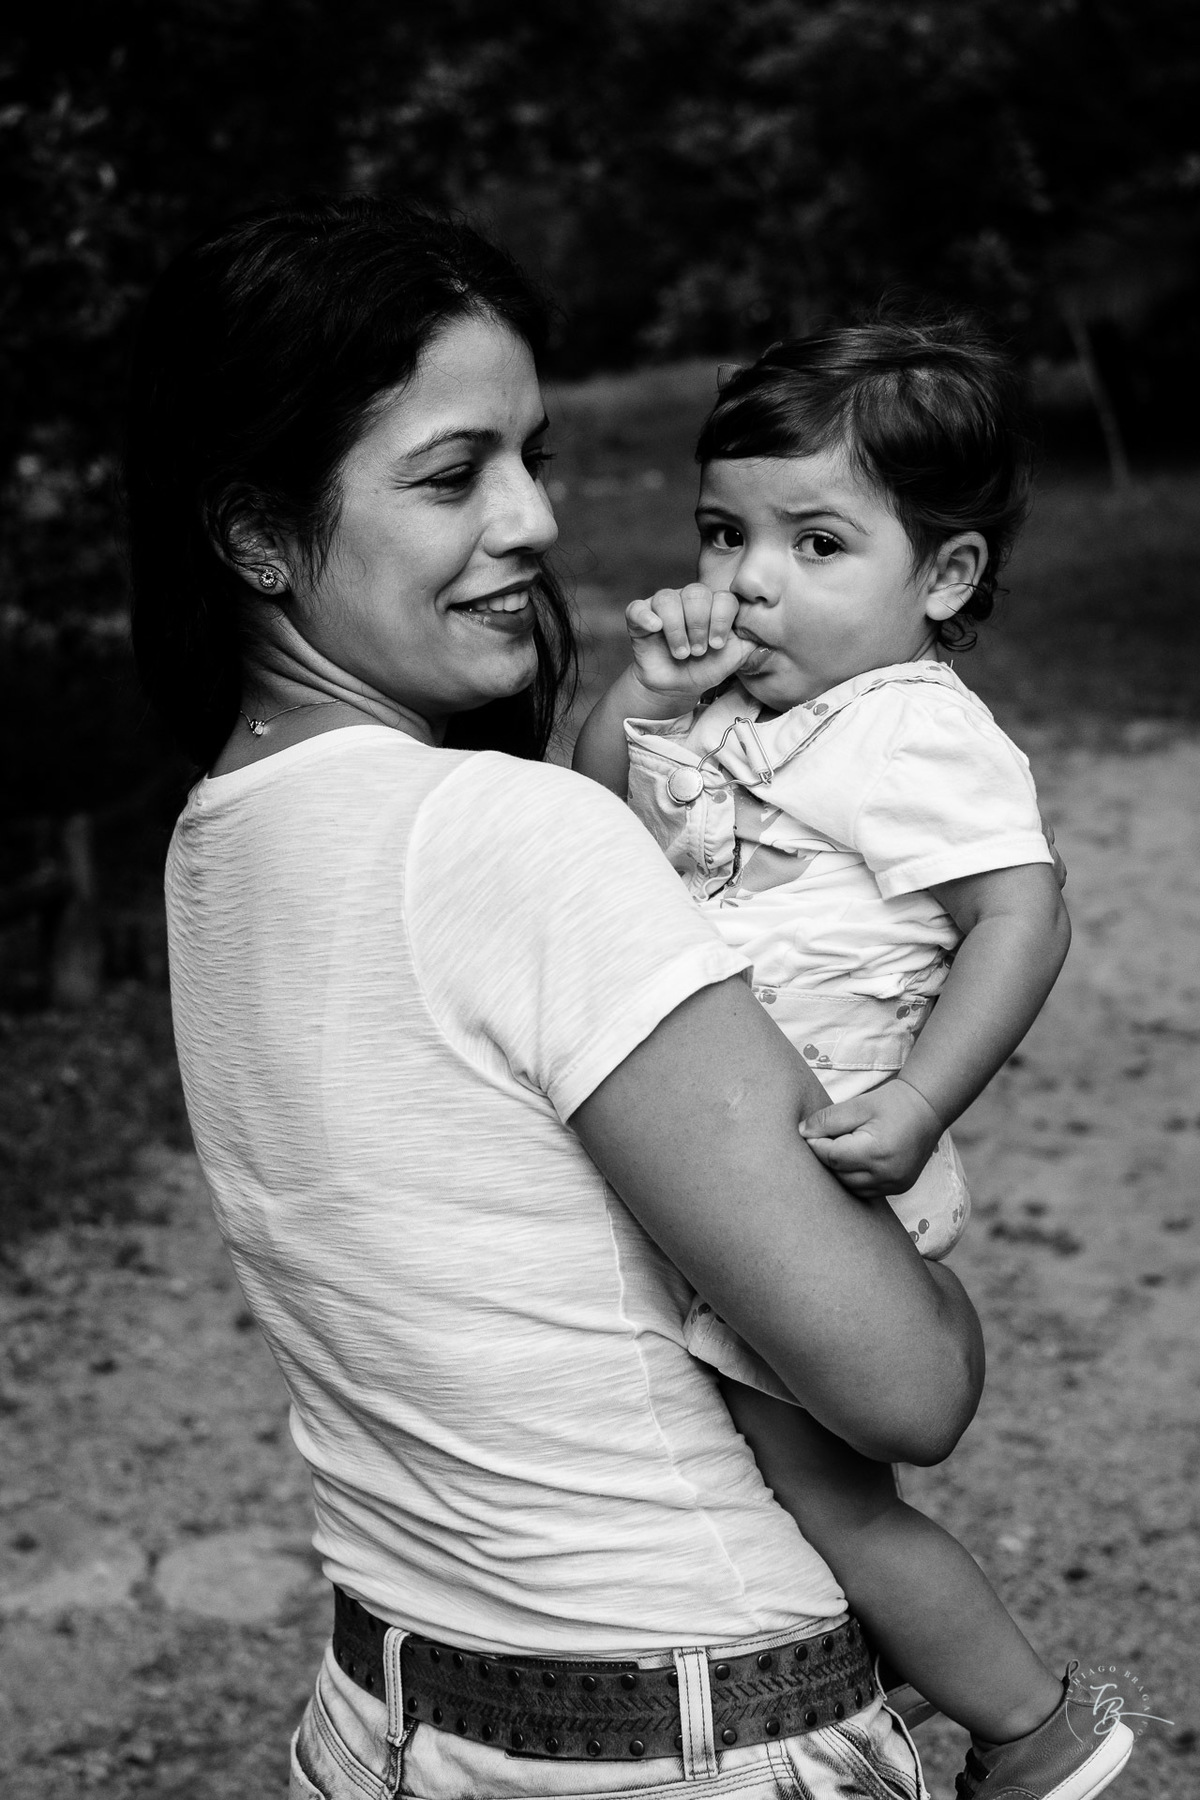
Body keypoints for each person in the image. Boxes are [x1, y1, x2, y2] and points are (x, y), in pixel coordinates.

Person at [127, 197, 990, 1800]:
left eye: (533, 457)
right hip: (681, 1730)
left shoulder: (217, 838)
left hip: (389, 1718)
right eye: (453, 474)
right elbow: (907, 1387)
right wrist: (934, 1267)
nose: (532, 518)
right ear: (256, 534)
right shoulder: (512, 835)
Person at [572, 319, 1134, 1800]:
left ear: (942, 579)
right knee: (756, 1476)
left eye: (816, 542)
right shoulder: (746, 707)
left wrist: (924, 1100)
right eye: (725, 533)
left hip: (815, 1164)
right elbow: (593, 817)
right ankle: (880, 1647)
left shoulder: (910, 732)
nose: (751, 577)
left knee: (828, 1494)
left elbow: (1023, 912)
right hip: (729, 1144)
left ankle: (1034, 1724)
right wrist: (643, 694)